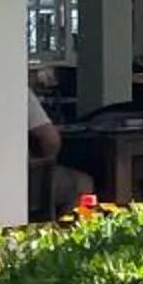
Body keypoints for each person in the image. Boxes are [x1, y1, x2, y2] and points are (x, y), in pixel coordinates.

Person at [29, 91, 94, 219]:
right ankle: (77, 228)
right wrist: (48, 160)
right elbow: (50, 140)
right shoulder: (19, 91)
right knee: (84, 184)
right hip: (24, 181)